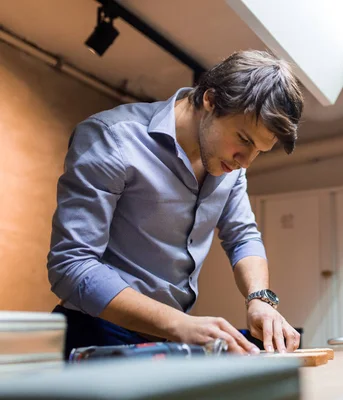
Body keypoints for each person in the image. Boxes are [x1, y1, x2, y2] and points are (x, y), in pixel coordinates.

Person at [47, 50, 304, 359]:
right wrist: (180, 323)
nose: (245, 162)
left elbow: (243, 236)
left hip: (167, 338)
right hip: (94, 334)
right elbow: (71, 266)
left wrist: (260, 299)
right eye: (245, 140)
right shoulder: (113, 138)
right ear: (210, 100)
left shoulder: (230, 167)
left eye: (259, 150)